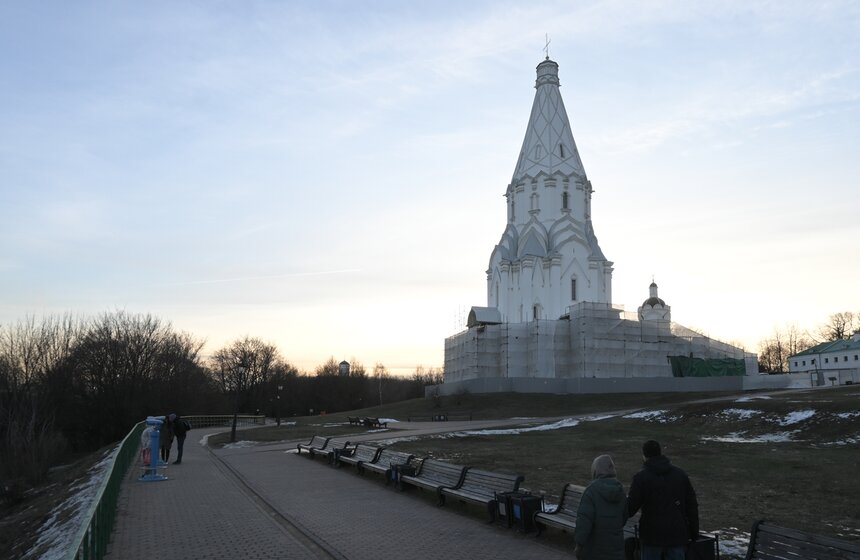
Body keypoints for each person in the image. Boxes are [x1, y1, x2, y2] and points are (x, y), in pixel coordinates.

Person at [627, 440, 699, 560]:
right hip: (677, 535)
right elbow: (691, 506)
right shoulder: (680, 475)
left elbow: (630, 508)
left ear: (644, 456)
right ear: (660, 452)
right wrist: (694, 533)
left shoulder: (641, 478)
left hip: (651, 535)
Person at [574, 454, 628, 560]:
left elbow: (584, 522)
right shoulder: (620, 491)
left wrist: (579, 545)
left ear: (595, 470)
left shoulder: (591, 491)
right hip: (616, 547)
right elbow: (624, 517)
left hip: (595, 549)